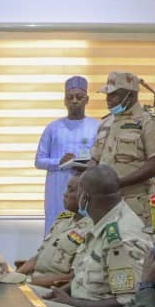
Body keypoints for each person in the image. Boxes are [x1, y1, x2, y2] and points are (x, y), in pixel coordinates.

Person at [41, 164, 151, 307]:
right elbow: (85, 276)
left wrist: (71, 302)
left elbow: (127, 302)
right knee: (29, 298)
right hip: (80, 303)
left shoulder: (120, 237)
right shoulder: (101, 220)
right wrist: (63, 293)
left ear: (84, 197)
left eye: (77, 192)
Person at [89, 71, 155, 226]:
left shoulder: (149, 122)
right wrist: (89, 181)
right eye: (107, 95)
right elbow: (95, 159)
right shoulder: (106, 123)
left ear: (131, 96)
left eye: (114, 95)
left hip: (135, 205)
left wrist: (119, 183)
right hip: (106, 205)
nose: (108, 100)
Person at [35, 76, 101, 232]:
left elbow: (103, 158)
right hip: (57, 188)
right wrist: (59, 161)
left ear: (87, 99)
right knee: (55, 227)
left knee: (85, 229)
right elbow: (39, 161)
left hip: (86, 186)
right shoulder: (53, 128)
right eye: (70, 97)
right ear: (64, 100)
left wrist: (89, 164)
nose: (75, 101)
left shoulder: (97, 126)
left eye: (79, 97)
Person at [17, 165, 92, 291]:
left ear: (84, 196)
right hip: (33, 280)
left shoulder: (91, 229)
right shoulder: (63, 219)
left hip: (52, 288)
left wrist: (26, 281)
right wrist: (15, 276)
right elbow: (39, 256)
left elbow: (72, 277)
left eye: (71, 190)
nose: (65, 194)